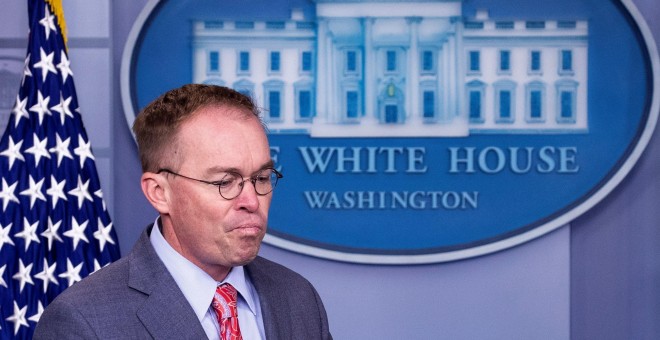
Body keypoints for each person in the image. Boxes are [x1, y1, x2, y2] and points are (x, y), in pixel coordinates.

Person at [34, 84, 332, 339]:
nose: (251, 201)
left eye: (262, 178)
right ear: (159, 193)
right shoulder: (83, 321)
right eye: (225, 182)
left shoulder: (297, 297)